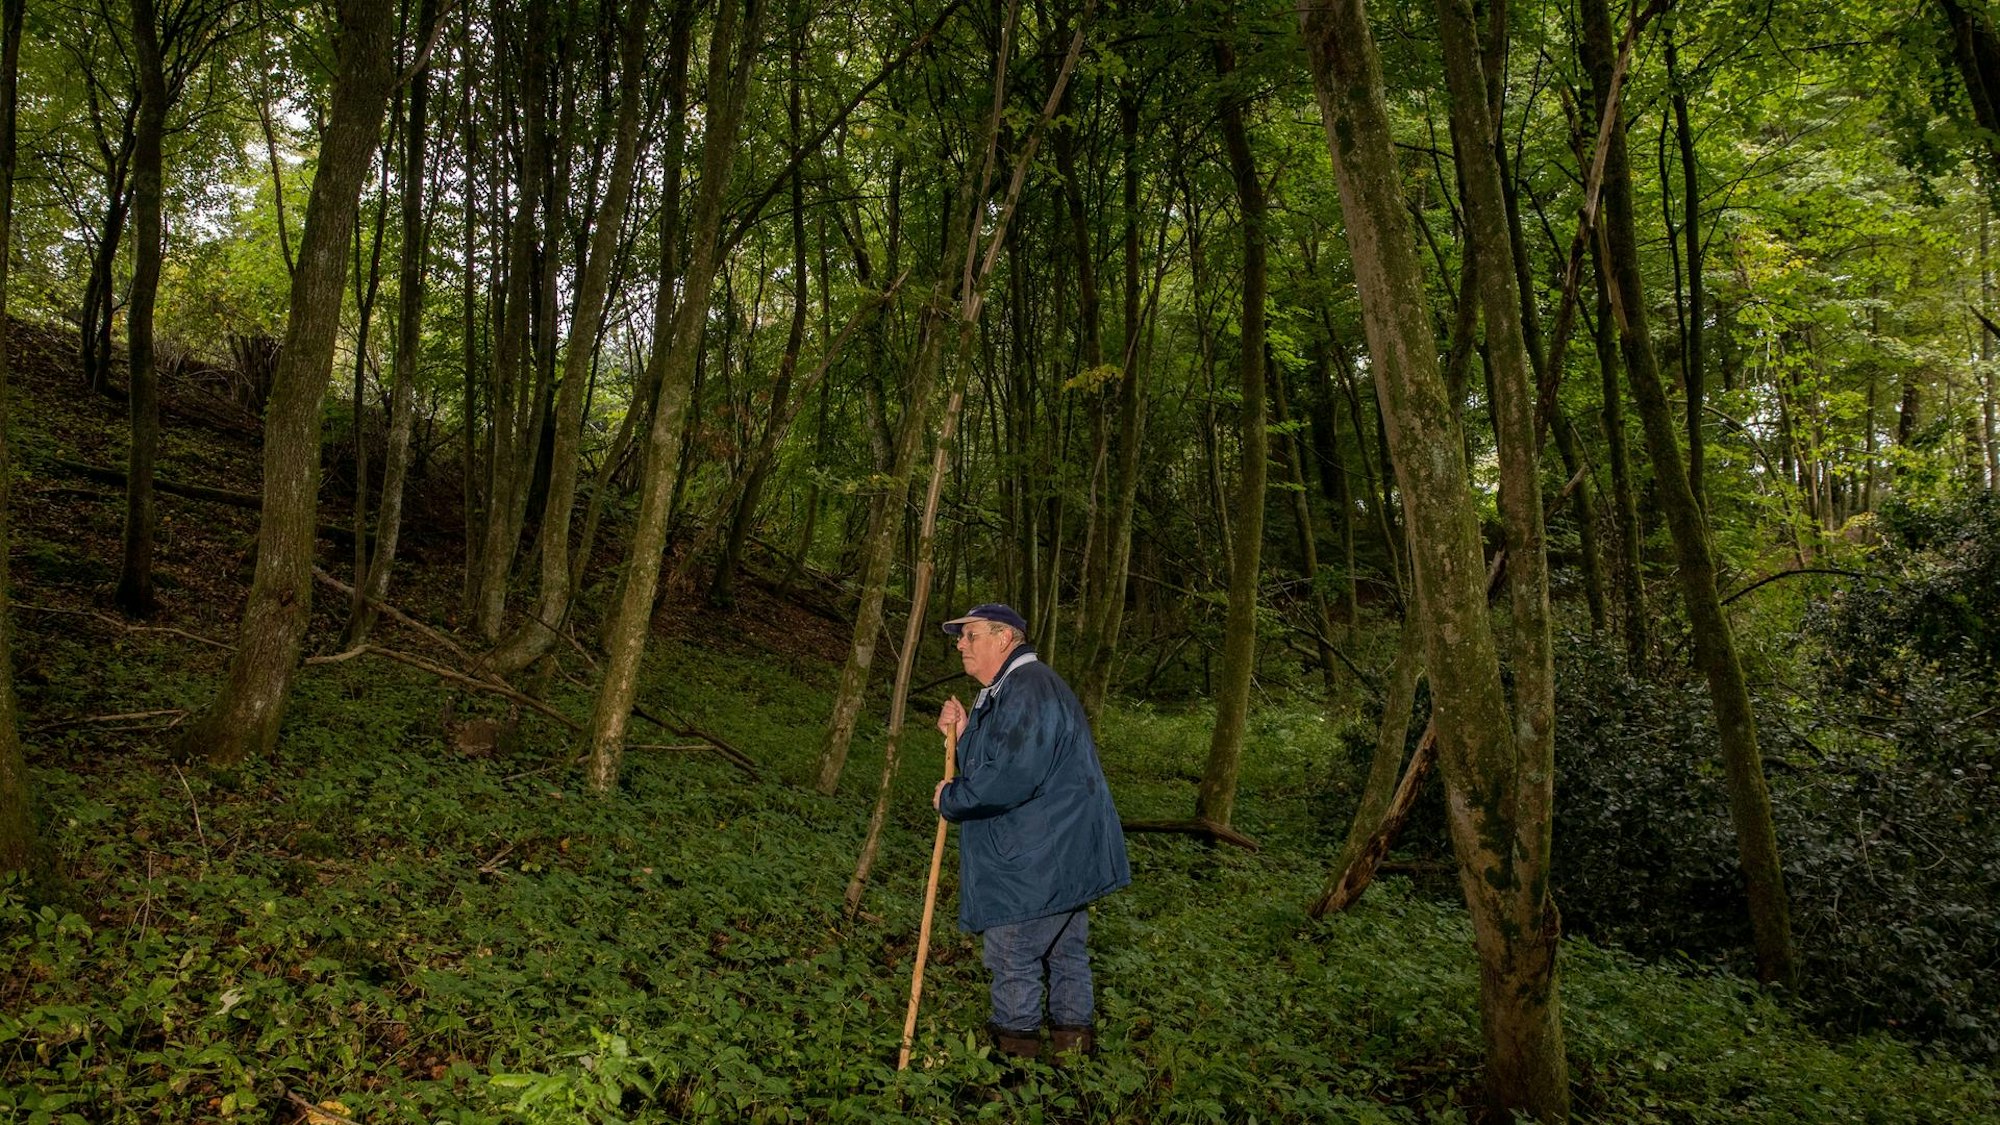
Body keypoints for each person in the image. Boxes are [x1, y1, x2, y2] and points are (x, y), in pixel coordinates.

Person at [932, 603, 1129, 1064]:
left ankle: (1017, 1072)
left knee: (1011, 956)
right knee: (1064, 955)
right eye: (959, 637)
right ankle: (1073, 1066)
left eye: (970, 635)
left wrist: (951, 799)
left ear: (1004, 638)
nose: (961, 644)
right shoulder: (1010, 689)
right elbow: (1001, 759)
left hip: (1036, 859)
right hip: (1058, 854)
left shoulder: (1029, 688)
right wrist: (961, 734)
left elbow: (1010, 776)